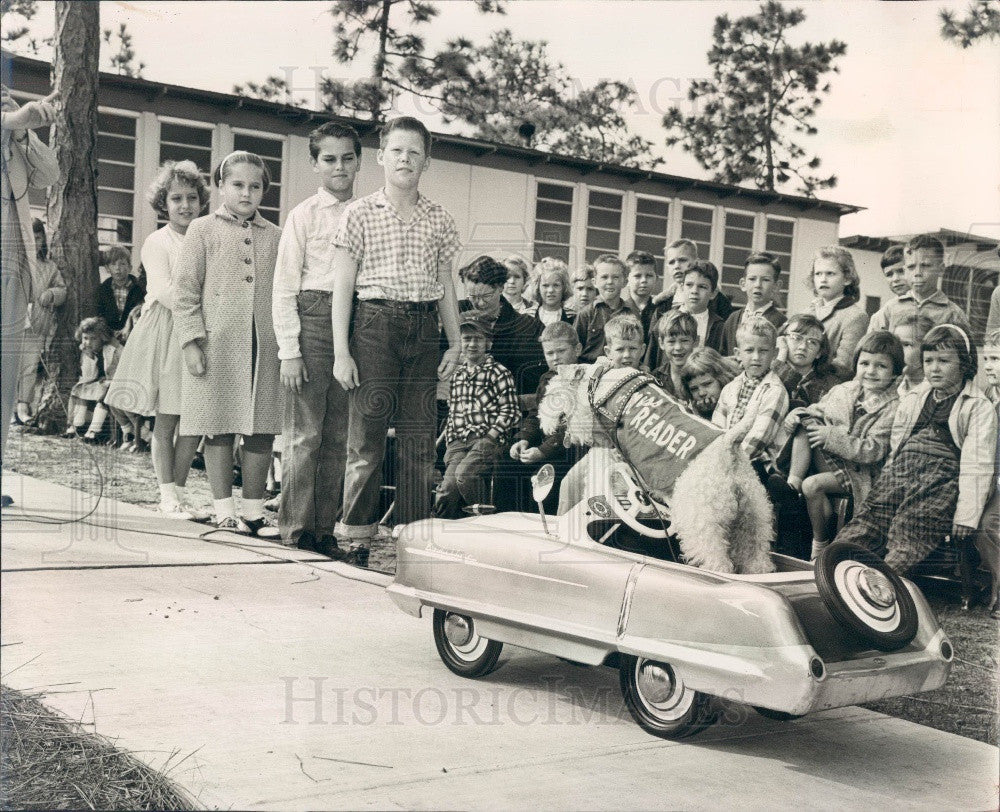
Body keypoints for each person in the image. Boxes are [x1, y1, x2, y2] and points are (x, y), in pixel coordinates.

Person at [331, 117, 463, 566]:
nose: (405, 159)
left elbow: (446, 284)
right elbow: (343, 287)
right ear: (382, 156)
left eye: (415, 152)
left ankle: (412, 543)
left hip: (425, 331)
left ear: (427, 161)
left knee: (418, 439)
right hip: (374, 327)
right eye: (397, 150)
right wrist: (341, 351)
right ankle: (355, 540)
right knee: (366, 441)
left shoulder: (440, 219)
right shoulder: (359, 213)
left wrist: (455, 342)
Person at [174, 150, 284, 537]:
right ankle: (224, 509)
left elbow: (284, 293)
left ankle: (254, 511)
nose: (246, 192)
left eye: (255, 186)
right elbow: (185, 291)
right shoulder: (202, 230)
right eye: (237, 184)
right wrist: (191, 341)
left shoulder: (276, 236)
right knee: (218, 426)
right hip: (216, 343)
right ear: (221, 186)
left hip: (263, 344)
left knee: (261, 428)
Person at [835, 325, 997, 573]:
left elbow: (978, 464)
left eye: (943, 361)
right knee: (870, 519)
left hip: (942, 478)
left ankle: (883, 579)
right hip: (903, 470)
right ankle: (831, 570)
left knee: (911, 525)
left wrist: (966, 515)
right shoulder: (914, 397)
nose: (934, 367)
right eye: (928, 360)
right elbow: (897, 445)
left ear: (964, 363)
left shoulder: (976, 406)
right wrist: (887, 479)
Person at [272, 122, 361, 554]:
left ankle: (325, 531)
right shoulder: (304, 215)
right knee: (304, 436)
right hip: (312, 319)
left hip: (357, 323)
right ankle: (295, 530)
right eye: (329, 158)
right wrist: (290, 351)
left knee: (339, 437)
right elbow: (284, 286)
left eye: (347, 158)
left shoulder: (368, 213)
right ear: (314, 164)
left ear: (359, 161)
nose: (339, 166)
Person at [105, 160, 211, 516]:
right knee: (167, 418)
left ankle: (179, 491)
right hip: (168, 329)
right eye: (176, 198)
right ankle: (168, 494)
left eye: (192, 197)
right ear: (164, 203)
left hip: (203, 328)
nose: (185, 205)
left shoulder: (206, 235)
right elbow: (165, 290)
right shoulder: (157, 241)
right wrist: (202, 309)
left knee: (195, 420)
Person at [779, 331, 903, 560]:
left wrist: (831, 437)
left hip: (861, 473)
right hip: (833, 463)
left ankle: (820, 542)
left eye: (881, 366)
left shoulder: (894, 407)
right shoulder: (844, 390)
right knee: (806, 422)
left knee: (812, 486)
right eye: (865, 363)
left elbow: (873, 450)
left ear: (895, 373)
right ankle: (791, 484)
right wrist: (797, 415)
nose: (871, 371)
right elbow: (816, 410)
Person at [1, 81, 59, 507]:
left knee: (4, 377)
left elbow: (50, 175)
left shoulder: (15, 139)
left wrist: (22, 132)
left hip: (15, 266)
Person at [558, 312, 645, 514]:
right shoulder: (599, 377)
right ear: (608, 351)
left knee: (605, 494)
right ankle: (563, 530)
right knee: (568, 484)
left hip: (631, 457)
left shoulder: (644, 381)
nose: (626, 355)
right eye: (620, 349)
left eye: (632, 349)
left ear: (642, 350)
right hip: (600, 449)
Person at [434, 311, 519, 518]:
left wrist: (490, 437)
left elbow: (510, 412)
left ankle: (485, 521)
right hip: (459, 443)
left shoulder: (499, 372)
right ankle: (443, 530)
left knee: (466, 474)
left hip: (487, 440)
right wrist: (452, 444)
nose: (472, 344)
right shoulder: (457, 375)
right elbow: (453, 413)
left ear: (488, 343)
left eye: (478, 339)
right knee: (448, 489)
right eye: (467, 339)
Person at [506, 321, 582, 512]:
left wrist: (542, 451)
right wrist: (524, 439)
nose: (555, 358)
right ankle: (506, 520)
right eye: (549, 353)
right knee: (505, 463)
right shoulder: (546, 378)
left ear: (577, 349)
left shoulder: (585, 378)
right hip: (545, 446)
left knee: (546, 477)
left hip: (570, 450)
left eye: (561, 351)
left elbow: (574, 426)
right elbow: (536, 414)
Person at [456, 255, 545, 395]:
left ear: (501, 287)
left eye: (486, 296)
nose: (479, 303)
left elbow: (529, 380)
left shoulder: (528, 328)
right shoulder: (456, 314)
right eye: (472, 296)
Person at [713, 316, 789, 466]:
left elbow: (758, 439)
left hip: (757, 462)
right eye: (749, 350)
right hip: (723, 458)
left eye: (763, 351)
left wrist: (728, 463)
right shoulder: (730, 388)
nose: (756, 357)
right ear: (737, 353)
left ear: (774, 354)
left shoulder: (775, 391)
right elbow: (717, 428)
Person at [867, 235, 972, 335]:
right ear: (905, 270)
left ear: (941, 269)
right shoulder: (890, 309)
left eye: (925, 265)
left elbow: (965, 352)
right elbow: (870, 348)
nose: (917, 273)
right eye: (911, 267)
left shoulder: (953, 314)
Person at [16, 219, 66, 424]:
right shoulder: (14, 262)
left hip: (36, 323)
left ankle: (22, 405)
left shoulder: (49, 266)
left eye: (37, 238)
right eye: (29, 238)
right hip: (12, 322)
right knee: (9, 364)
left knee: (29, 366)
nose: (34, 242)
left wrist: (52, 294)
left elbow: (62, 289)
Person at [646, 260, 724, 370]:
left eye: (702, 286)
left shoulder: (719, 326)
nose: (694, 291)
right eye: (689, 285)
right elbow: (651, 360)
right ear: (682, 287)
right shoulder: (663, 319)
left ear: (713, 293)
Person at [806, 246, 868, 377]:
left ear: (847, 279)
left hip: (827, 386)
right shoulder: (807, 312)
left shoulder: (855, 316)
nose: (823, 279)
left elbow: (843, 367)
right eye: (818, 274)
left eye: (830, 274)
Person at [63, 317, 120, 441]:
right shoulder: (87, 350)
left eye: (93, 339)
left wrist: (109, 381)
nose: (88, 342)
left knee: (102, 394)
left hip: (113, 381)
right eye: (85, 338)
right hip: (97, 381)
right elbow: (88, 376)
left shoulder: (112, 350)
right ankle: (76, 426)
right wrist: (89, 356)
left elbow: (116, 372)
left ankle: (94, 430)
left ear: (102, 338)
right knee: (80, 389)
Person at [720, 252, 787, 356]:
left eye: (765, 280)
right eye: (752, 279)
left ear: (776, 286)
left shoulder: (781, 323)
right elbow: (722, 355)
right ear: (743, 284)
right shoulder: (732, 319)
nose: (758, 285)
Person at [651, 238, 734, 320]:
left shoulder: (719, 302)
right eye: (671, 262)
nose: (676, 266)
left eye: (682, 260)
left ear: (696, 263)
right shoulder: (663, 304)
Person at [574, 254, 635, 363]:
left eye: (615, 277)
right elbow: (574, 349)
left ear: (624, 282)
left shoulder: (631, 314)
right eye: (604, 277)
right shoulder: (586, 314)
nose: (610, 282)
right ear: (594, 282)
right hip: (590, 371)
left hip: (621, 370)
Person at [772, 314, 841, 409]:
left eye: (812, 342)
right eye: (796, 338)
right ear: (782, 340)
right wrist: (781, 355)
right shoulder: (766, 369)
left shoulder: (830, 385)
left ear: (819, 352)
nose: (803, 347)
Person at [977, 330, 999, 617]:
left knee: (988, 525)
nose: (989, 365)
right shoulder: (988, 396)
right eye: (987, 359)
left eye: (996, 359)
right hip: (987, 479)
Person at [96, 245, 145, 340]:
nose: (117, 268)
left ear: (130, 267)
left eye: (122, 264)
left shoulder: (139, 289)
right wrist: (109, 334)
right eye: (113, 264)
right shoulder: (103, 290)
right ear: (107, 268)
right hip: (110, 338)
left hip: (134, 336)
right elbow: (100, 316)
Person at [679, 348, 740, 420]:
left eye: (707, 384)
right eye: (694, 389)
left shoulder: (739, 396)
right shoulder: (692, 408)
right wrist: (704, 414)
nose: (701, 393)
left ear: (722, 379)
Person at [649, 309, 697, 399]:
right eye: (671, 341)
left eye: (684, 340)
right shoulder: (654, 378)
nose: (678, 347)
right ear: (661, 343)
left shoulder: (702, 375)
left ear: (695, 341)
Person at [892, 313, 934, 396]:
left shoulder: (932, 392)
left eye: (906, 344)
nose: (897, 351)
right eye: (895, 344)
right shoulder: (892, 386)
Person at [622, 250, 661, 340]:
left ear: (656, 279)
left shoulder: (660, 310)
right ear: (627, 279)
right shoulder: (619, 309)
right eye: (638, 276)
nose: (644, 280)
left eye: (649, 275)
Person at [527, 260, 573, 327]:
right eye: (545, 285)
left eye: (556, 285)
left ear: (564, 287)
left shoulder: (573, 317)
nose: (551, 290)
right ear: (537, 287)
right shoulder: (527, 316)